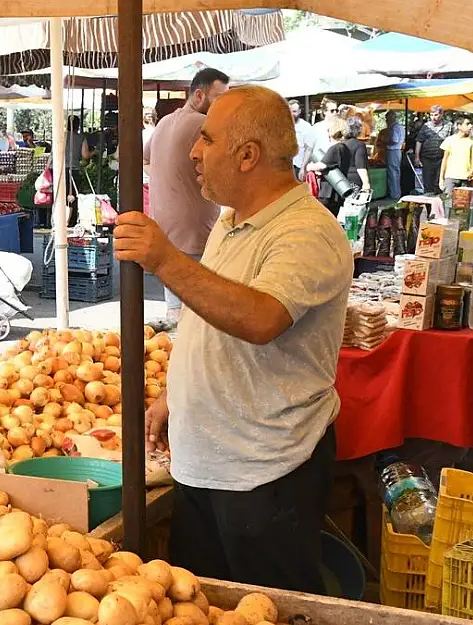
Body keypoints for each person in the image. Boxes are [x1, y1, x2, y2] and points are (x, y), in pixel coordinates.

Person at [115, 85, 352, 594]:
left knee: (263, 606)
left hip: (264, 472)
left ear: (248, 155)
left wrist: (163, 258)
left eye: (207, 139)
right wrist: (173, 394)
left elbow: (260, 318)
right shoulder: (231, 220)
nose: (192, 152)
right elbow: (211, 314)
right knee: (202, 602)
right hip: (204, 463)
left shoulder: (307, 232)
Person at [142, 68, 229, 322]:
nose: (222, 105)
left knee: (175, 304)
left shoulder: (165, 122)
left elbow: (144, 159)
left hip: (166, 224)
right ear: (199, 95)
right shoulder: (204, 125)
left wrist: (166, 177)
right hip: (195, 226)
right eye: (219, 98)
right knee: (199, 305)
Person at [305, 117, 352, 216]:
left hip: (328, 193)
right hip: (338, 193)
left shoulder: (335, 149)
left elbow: (321, 165)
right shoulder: (345, 149)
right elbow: (332, 166)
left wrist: (309, 167)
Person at [415, 105, 452, 194]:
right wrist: (417, 157)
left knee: (440, 183)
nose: (433, 117)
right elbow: (419, 141)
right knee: (428, 184)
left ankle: (439, 204)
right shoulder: (426, 126)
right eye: (431, 115)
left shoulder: (448, 126)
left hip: (442, 159)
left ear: (441, 114)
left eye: (436, 115)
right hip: (427, 159)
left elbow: (452, 142)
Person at [440, 118, 473, 197]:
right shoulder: (450, 140)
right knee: (448, 202)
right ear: (459, 126)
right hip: (451, 177)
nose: (470, 126)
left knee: (464, 204)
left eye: (471, 124)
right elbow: (444, 160)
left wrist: (471, 172)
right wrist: (441, 178)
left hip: (466, 178)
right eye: (467, 124)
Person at [343, 116, 371, 193]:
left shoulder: (341, 143)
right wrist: (366, 184)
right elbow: (360, 166)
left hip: (342, 179)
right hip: (355, 180)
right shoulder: (359, 145)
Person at [289, 100, 314, 180]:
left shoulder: (306, 127)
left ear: (299, 111)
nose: (291, 114)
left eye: (294, 111)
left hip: (298, 166)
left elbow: (309, 149)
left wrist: (303, 168)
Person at [382, 110, 405, 199]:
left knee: (392, 172)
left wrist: (385, 142)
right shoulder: (400, 127)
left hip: (393, 150)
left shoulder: (394, 128)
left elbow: (394, 140)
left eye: (387, 118)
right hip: (397, 151)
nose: (386, 120)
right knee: (396, 171)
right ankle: (396, 193)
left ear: (392, 117)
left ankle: (394, 194)